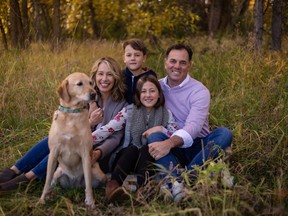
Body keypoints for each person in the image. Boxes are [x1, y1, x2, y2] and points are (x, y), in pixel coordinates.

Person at [0, 57, 127, 193]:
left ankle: (28, 178)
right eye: (100, 74)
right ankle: (12, 171)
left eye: (109, 74)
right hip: (77, 142)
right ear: (95, 76)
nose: (104, 79)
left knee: (64, 146)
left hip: (97, 152)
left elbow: (116, 138)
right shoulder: (86, 96)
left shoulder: (122, 104)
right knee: (54, 141)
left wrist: (99, 152)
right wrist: (90, 122)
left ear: (116, 78)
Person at [146, 43, 233, 201]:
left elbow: (194, 127)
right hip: (172, 151)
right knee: (153, 136)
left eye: (182, 62)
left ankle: (181, 180)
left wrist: (170, 143)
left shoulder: (199, 91)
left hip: (198, 147)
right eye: (173, 61)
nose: (177, 66)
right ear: (165, 62)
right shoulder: (156, 87)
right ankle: (186, 180)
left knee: (224, 133)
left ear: (189, 65)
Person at [98, 75, 179, 202]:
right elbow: (109, 129)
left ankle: (143, 189)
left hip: (148, 160)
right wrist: (87, 139)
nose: (148, 95)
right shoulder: (129, 111)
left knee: (147, 149)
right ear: (138, 95)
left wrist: (161, 129)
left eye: (152, 91)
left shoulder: (166, 113)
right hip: (127, 159)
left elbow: (177, 136)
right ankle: (113, 188)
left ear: (159, 94)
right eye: (143, 91)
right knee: (132, 149)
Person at [122, 38, 157, 104]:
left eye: (137, 55)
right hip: (123, 112)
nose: (133, 58)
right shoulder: (120, 76)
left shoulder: (150, 76)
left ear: (144, 58)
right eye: (129, 55)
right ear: (124, 58)